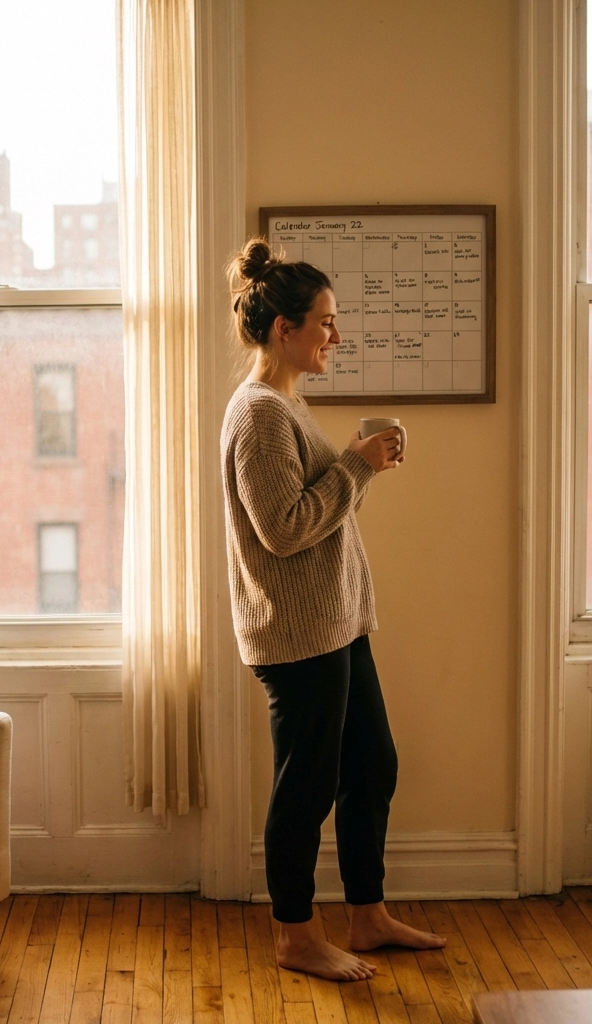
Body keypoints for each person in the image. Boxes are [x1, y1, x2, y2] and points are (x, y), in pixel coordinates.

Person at [220, 238, 446, 982]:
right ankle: (295, 935)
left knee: (371, 766)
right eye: (324, 322)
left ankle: (367, 915)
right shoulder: (257, 414)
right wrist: (358, 464)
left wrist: (359, 459)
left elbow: (311, 504)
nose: (335, 336)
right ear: (283, 328)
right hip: (297, 638)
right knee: (306, 788)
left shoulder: (286, 403)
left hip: (336, 625)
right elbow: (283, 529)